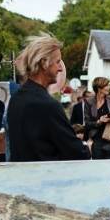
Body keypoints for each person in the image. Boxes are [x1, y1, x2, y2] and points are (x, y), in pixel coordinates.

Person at [7, 34, 90, 162]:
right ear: (44, 63)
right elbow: (77, 153)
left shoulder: (16, 99)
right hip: (44, 178)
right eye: (57, 62)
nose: (61, 68)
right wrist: (88, 147)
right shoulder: (47, 105)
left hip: (20, 178)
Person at [84, 77, 110, 159]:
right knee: (98, 165)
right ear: (99, 88)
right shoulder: (89, 102)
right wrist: (99, 121)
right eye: (106, 85)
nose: (109, 87)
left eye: (109, 85)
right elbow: (87, 123)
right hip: (96, 139)